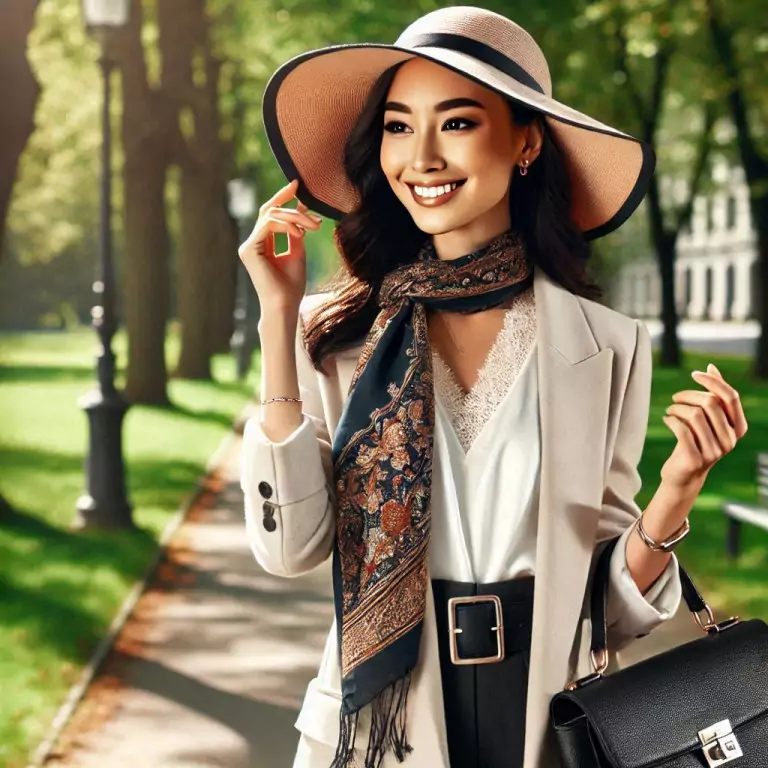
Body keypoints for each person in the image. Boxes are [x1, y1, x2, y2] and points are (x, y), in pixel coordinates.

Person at [238, 7, 750, 768]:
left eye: (457, 123)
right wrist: (277, 321)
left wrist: (677, 491)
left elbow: (605, 608)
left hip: (546, 720)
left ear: (526, 141)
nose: (422, 157)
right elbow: (292, 550)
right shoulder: (339, 337)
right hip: (387, 724)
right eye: (399, 127)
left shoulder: (605, 345)